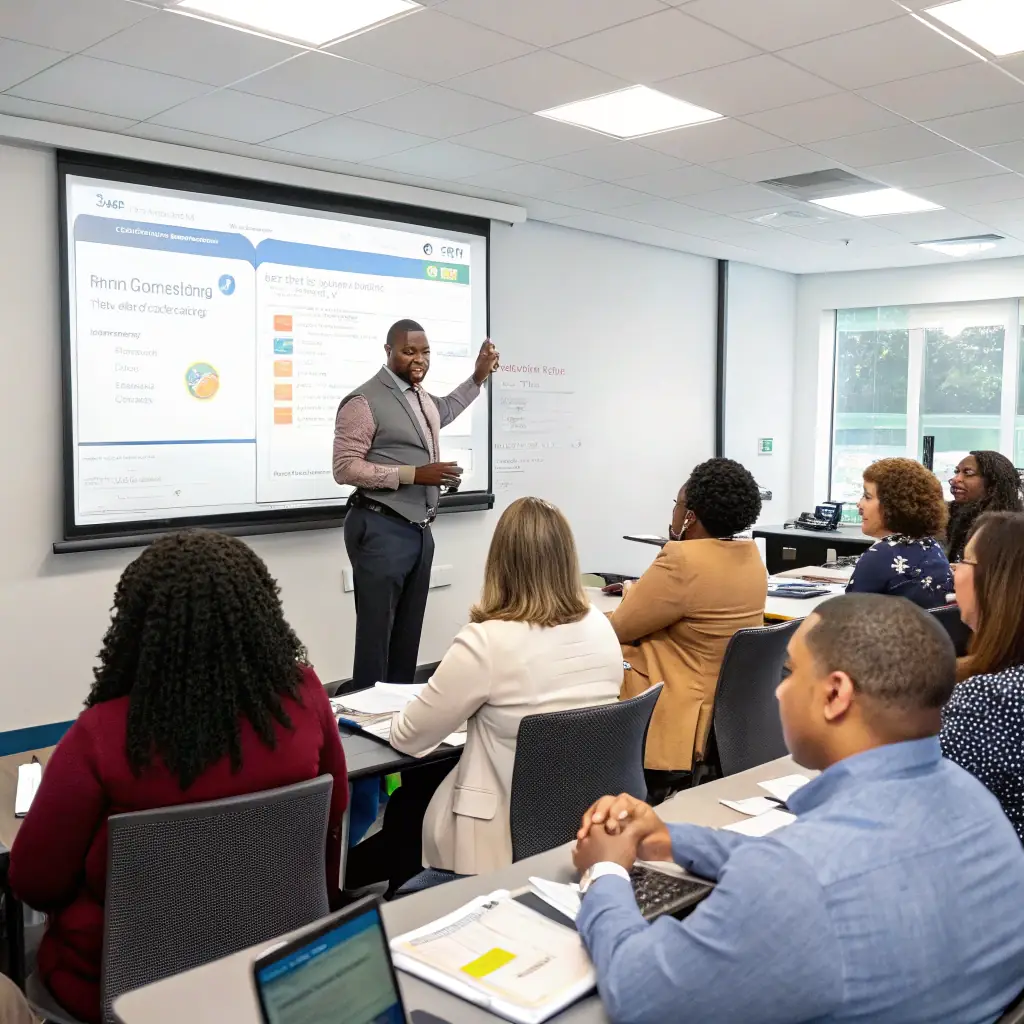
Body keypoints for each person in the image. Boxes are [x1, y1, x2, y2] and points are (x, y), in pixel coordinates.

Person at [573, 594, 1024, 1024]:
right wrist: (671, 840)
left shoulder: (800, 880)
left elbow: (639, 993)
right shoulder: (978, 806)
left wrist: (604, 871)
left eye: (789, 672)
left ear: (834, 694)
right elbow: (815, 867)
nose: (779, 692)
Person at [10, 531, 349, 1024]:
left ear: (140, 628)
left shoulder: (103, 735)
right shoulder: (305, 699)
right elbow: (330, 818)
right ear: (261, 616)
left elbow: (34, 882)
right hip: (271, 969)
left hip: (121, 991)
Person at [347, 498, 622, 893]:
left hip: (494, 845)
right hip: (577, 824)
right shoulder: (600, 626)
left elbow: (409, 737)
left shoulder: (486, 641)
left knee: (415, 795)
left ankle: (382, 900)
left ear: (500, 562)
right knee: (424, 787)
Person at [333, 319, 499, 689]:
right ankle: (366, 713)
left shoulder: (420, 397)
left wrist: (478, 377)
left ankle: (400, 713)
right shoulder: (363, 402)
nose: (419, 359)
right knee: (376, 639)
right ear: (388, 351)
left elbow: (447, 409)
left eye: (425, 352)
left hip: (418, 531)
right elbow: (344, 468)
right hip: (380, 526)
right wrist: (414, 475)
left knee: (407, 638)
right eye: (409, 351)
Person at [610, 458, 766, 797]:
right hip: (724, 714)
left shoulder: (682, 559)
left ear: (690, 516)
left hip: (678, 711)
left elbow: (619, 628)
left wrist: (632, 592)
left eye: (677, 504)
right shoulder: (751, 557)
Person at [942, 511, 1024, 841]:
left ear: (997, 580)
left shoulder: (989, 701)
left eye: (963, 560)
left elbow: (928, 810)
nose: (954, 570)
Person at [846, 457, 952, 608]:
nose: (860, 504)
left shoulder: (881, 555)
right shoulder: (931, 546)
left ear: (893, 505)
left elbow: (848, 614)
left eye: (867, 497)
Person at [947, 450, 1024, 563]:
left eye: (968, 473)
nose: (955, 479)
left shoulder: (1013, 528)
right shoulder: (948, 515)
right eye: (957, 471)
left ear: (993, 482)